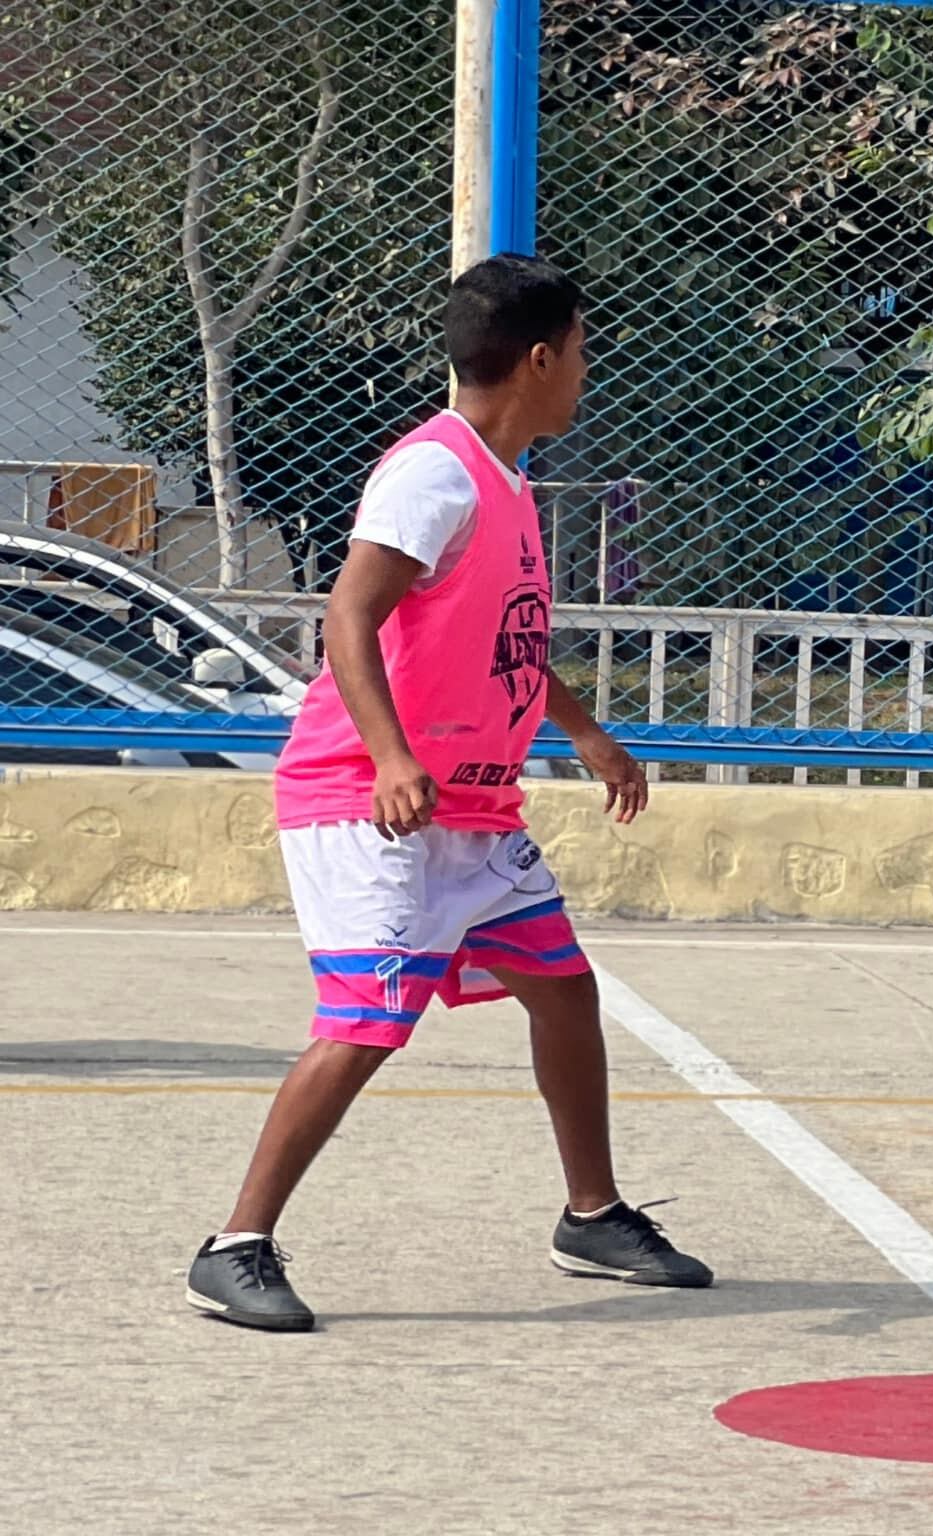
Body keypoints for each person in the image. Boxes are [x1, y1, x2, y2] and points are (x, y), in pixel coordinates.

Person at [185, 256, 710, 1332]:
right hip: (365, 801)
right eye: (579, 351)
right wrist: (387, 757)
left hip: (470, 811)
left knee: (562, 987)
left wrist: (586, 735)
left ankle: (592, 1213)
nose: (584, 372)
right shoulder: (434, 473)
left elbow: (500, 642)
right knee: (368, 1025)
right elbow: (347, 618)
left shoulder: (503, 479)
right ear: (537, 357)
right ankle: (233, 1245)